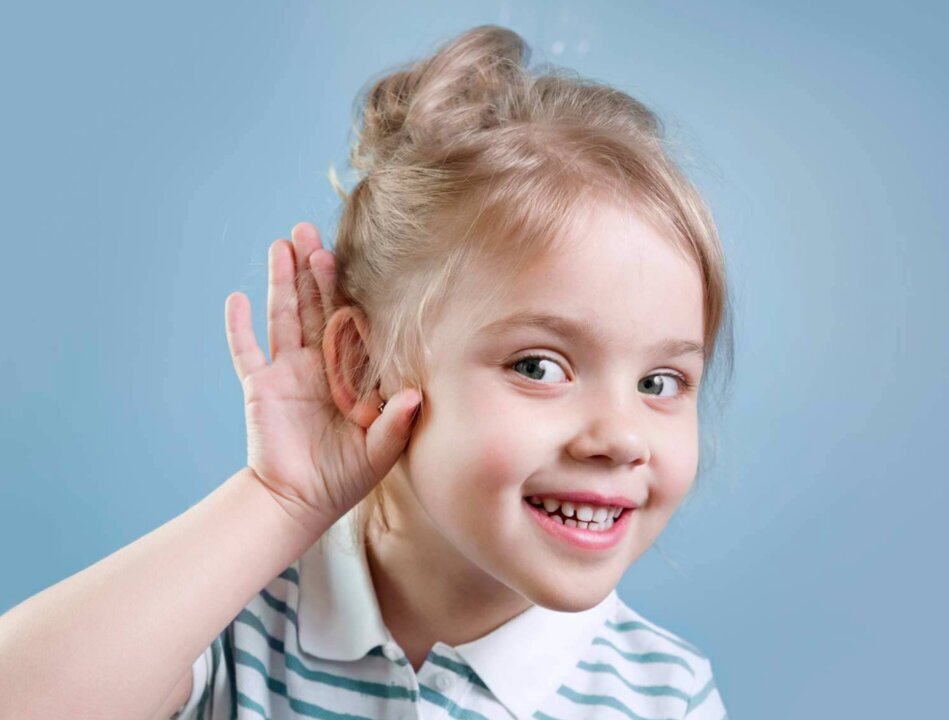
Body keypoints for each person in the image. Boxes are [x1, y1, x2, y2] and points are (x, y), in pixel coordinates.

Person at [0, 24, 732, 720]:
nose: (621, 437)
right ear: (366, 367)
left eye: (659, 383)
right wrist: (279, 501)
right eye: (539, 366)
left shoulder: (664, 698)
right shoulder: (227, 625)